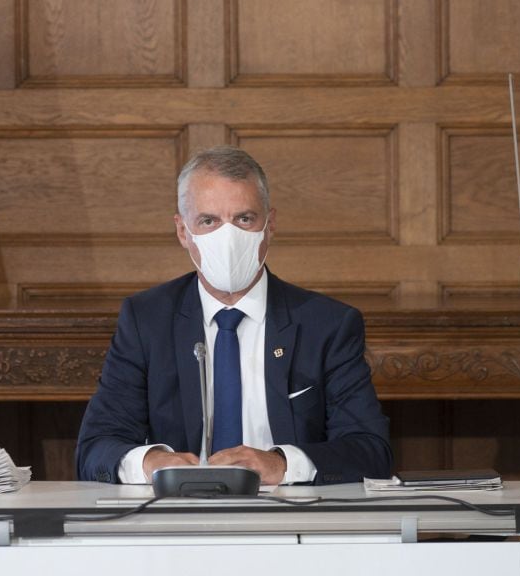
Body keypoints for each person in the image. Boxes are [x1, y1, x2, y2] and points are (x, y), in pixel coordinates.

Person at [76, 145, 392, 485]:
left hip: (290, 517)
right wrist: (150, 462)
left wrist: (283, 465)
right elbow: (94, 450)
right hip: (179, 520)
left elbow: (371, 452)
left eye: (244, 219)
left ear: (269, 225)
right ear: (183, 231)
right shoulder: (146, 320)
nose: (228, 237)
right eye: (208, 221)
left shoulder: (327, 324)